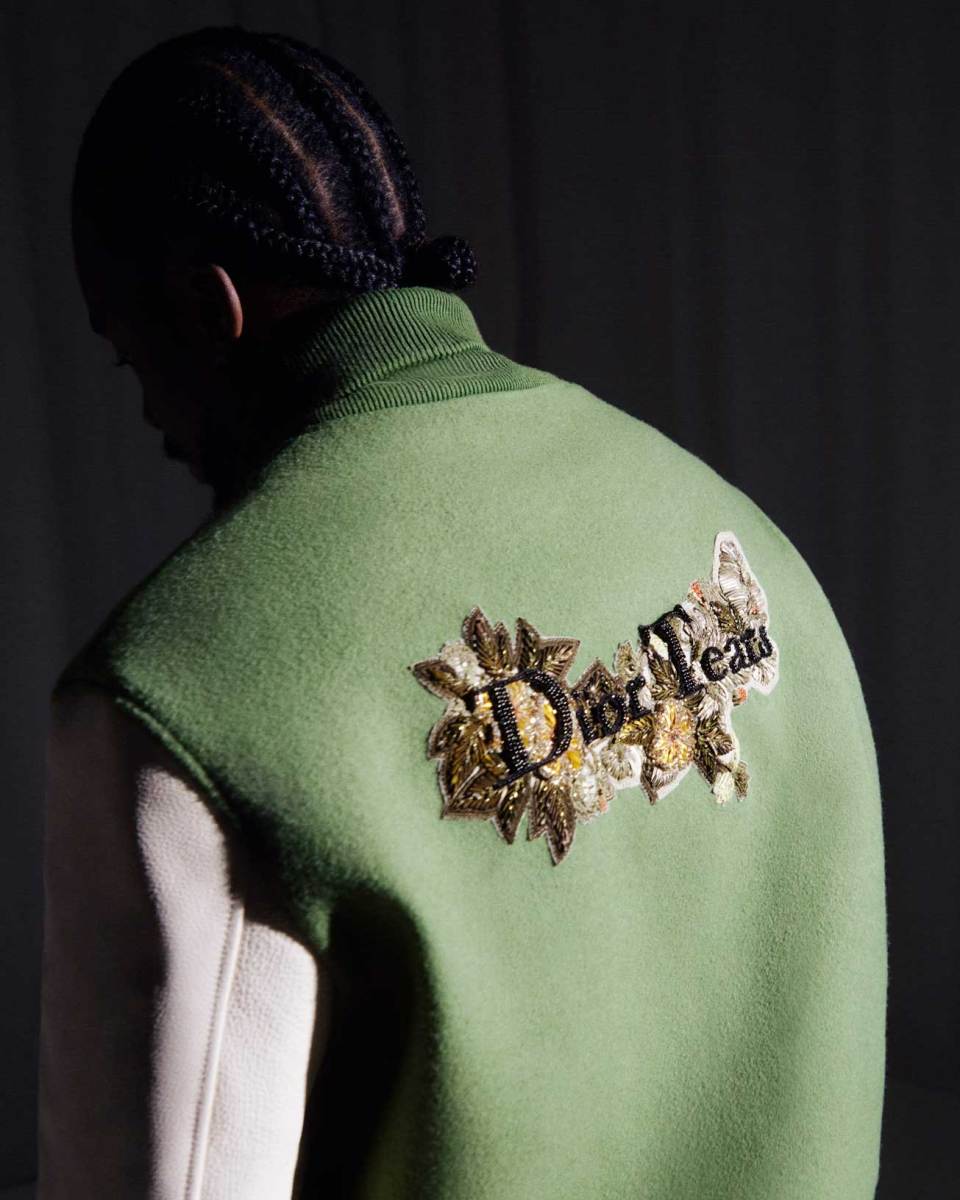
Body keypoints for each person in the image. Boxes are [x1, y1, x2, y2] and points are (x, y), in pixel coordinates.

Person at [38, 22, 888, 1200]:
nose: (148, 417)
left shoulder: (174, 696)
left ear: (209, 305)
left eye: (129, 359)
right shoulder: (749, 549)